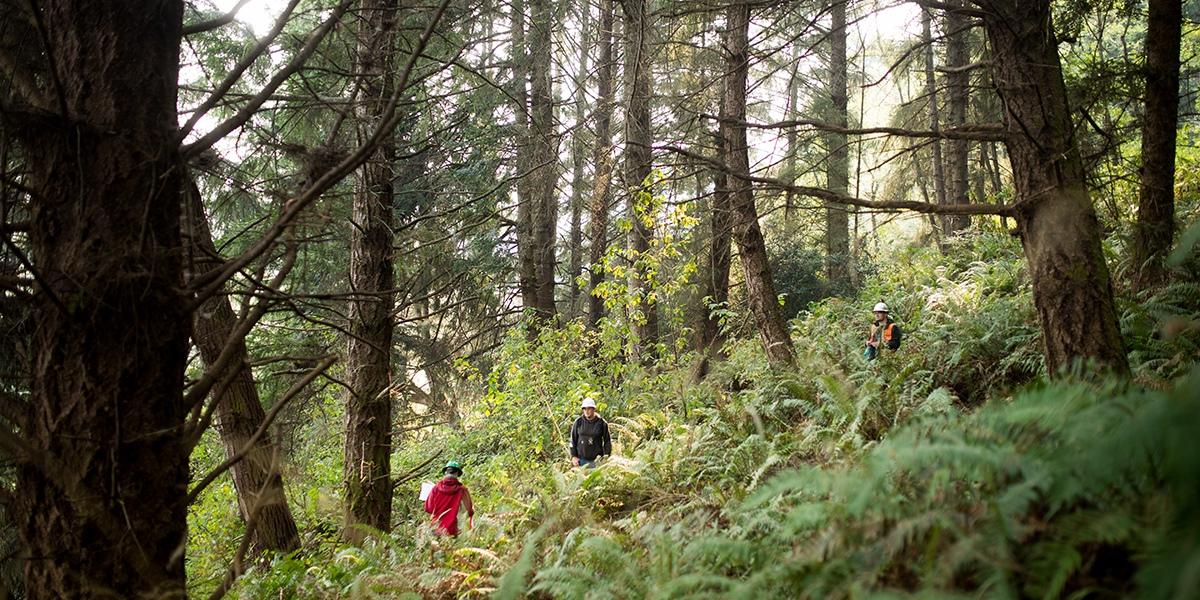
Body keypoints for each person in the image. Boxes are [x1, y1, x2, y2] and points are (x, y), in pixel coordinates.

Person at [423, 460, 474, 536]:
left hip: (436, 528)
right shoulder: (462, 490)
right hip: (454, 530)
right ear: (457, 474)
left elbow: (428, 508)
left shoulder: (436, 488)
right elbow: (469, 511)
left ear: (446, 472)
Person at [569, 397, 611, 468]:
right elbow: (572, 441)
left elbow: (607, 441)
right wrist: (573, 456)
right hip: (581, 460)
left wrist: (606, 457)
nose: (586, 411)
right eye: (584, 409)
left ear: (593, 409)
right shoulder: (578, 422)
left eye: (589, 408)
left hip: (597, 461)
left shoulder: (602, 423)